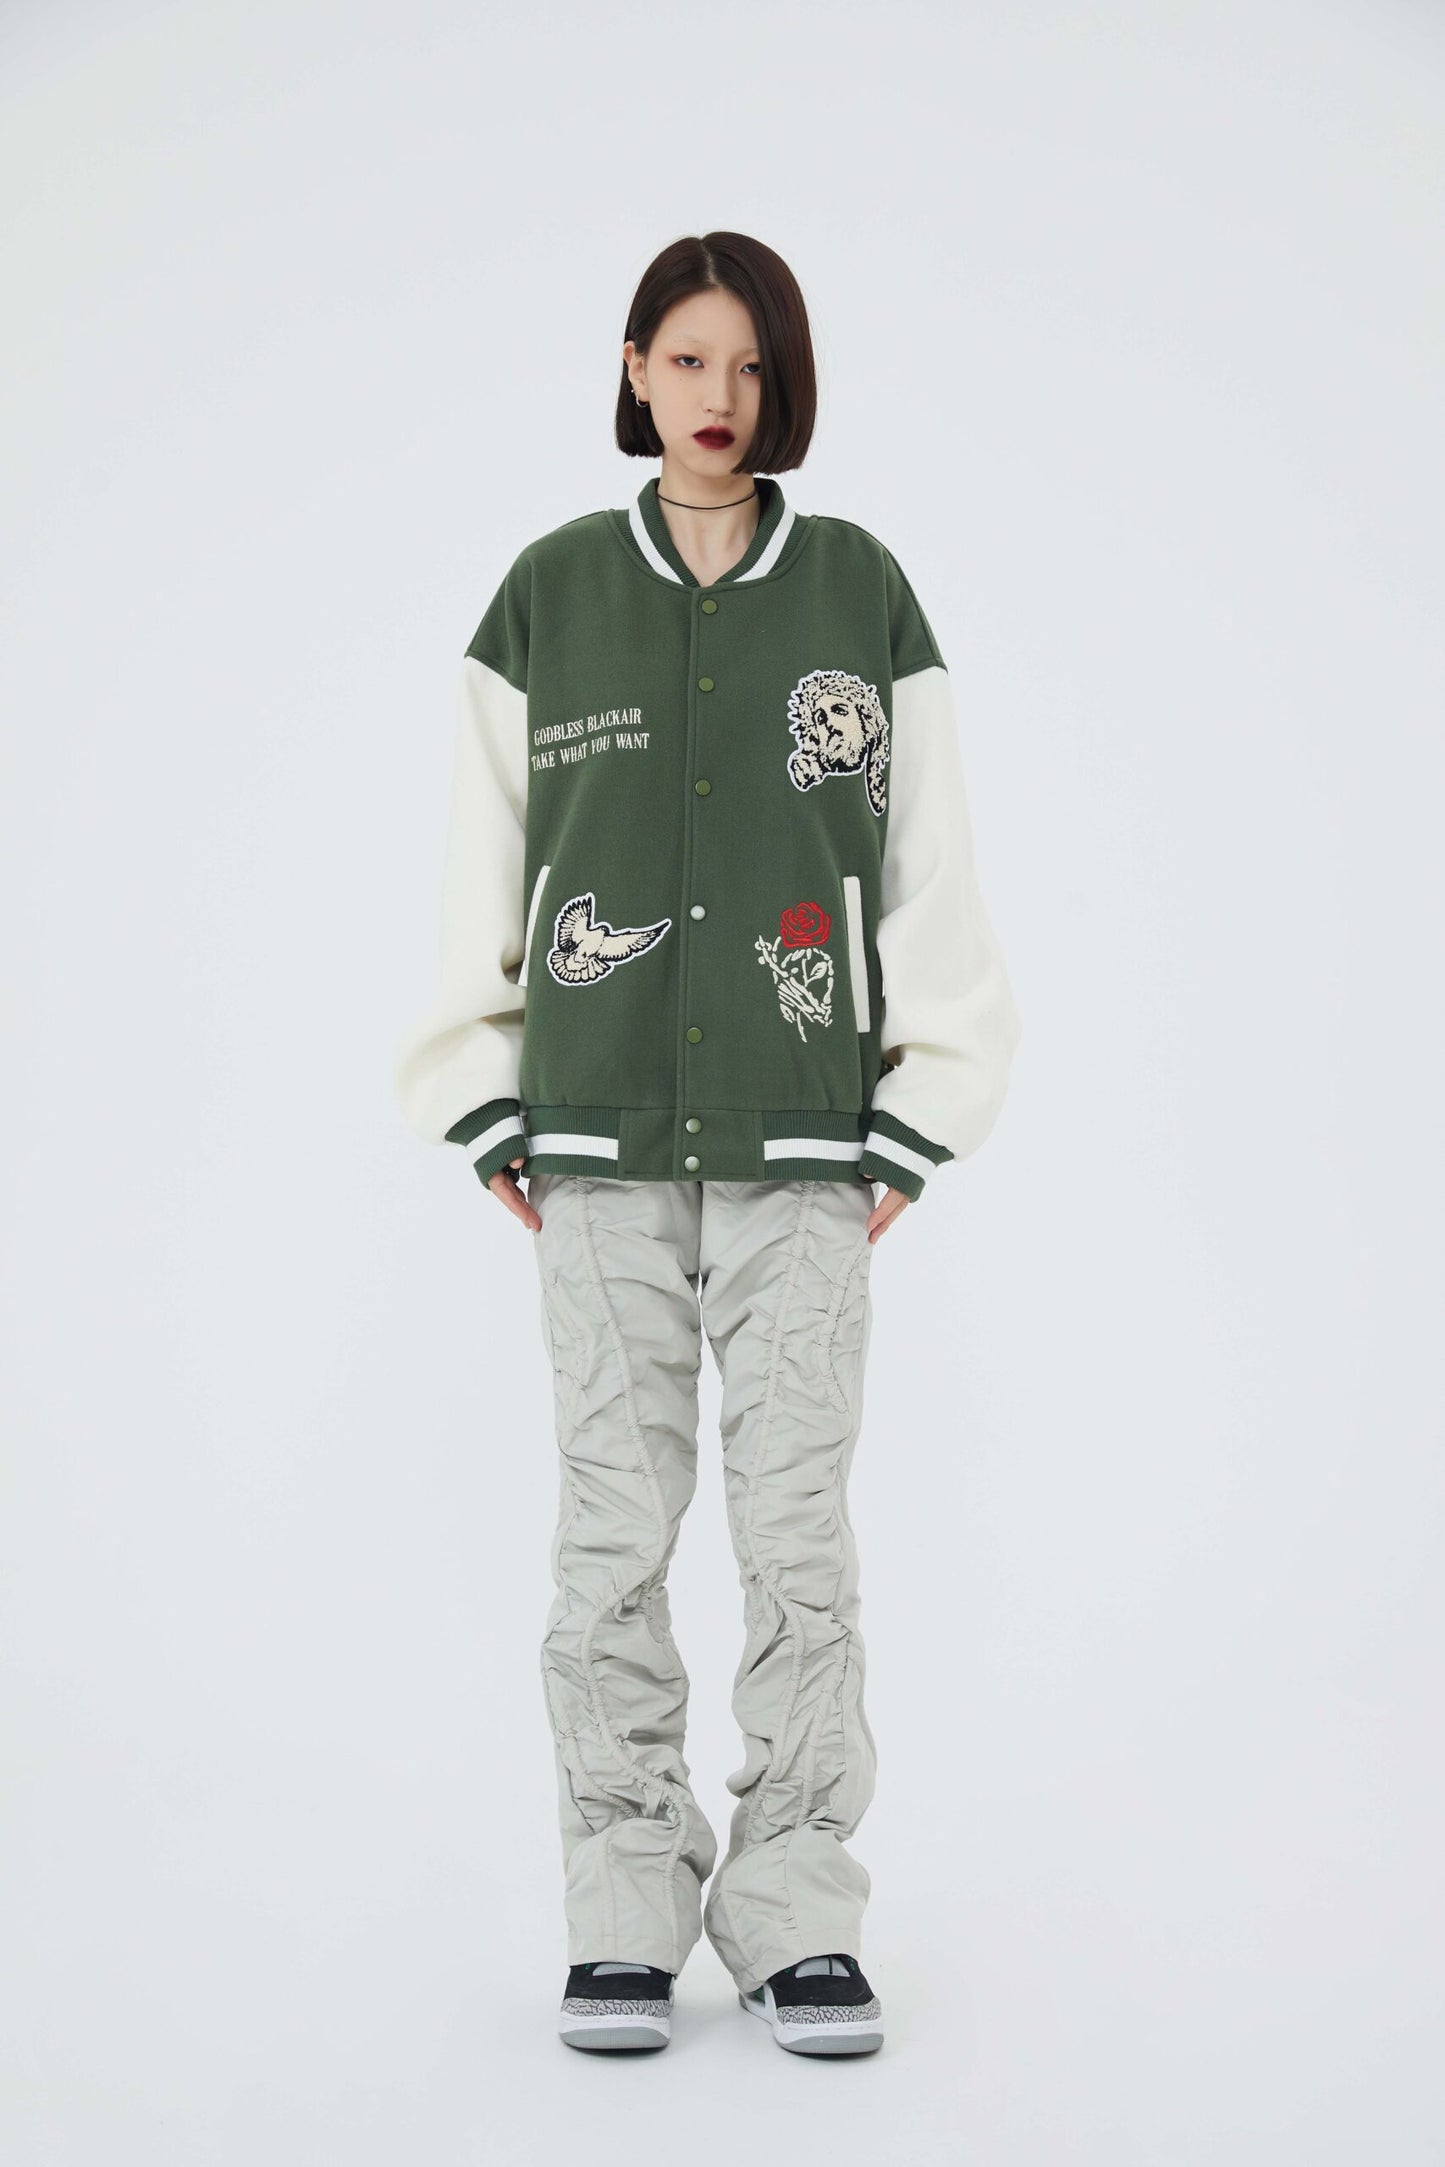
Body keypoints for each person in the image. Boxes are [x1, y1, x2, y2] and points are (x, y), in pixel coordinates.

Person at [394, 230, 1022, 2058]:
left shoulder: (861, 593)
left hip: (808, 1149)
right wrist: (481, 1089)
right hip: (590, 1149)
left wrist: (910, 1120)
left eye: (747, 365)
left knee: (798, 1540)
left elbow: (928, 866)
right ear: (633, 370)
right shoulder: (548, 595)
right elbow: (483, 859)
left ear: (781, 381)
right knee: (610, 1539)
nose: (717, 398)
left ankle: (796, 1910)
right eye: (685, 361)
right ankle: (620, 1904)